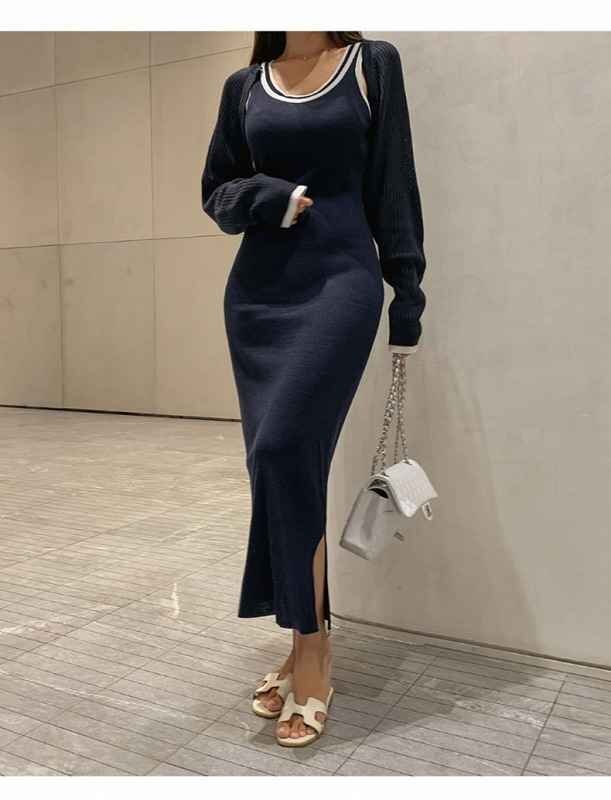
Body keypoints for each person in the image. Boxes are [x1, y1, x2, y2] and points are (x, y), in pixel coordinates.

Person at [201, 31, 426, 747]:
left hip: (339, 284)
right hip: (257, 295)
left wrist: (407, 294)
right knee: (278, 465)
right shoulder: (245, 86)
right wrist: (270, 198)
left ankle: (313, 652)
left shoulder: (370, 64)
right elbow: (216, 193)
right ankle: (306, 641)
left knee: (283, 450)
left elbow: (394, 182)